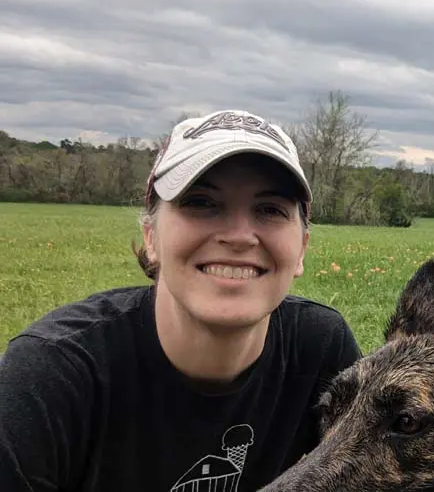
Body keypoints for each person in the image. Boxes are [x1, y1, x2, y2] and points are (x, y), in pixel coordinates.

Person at [0, 110, 363, 491]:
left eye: (270, 209)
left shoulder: (320, 349)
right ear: (151, 236)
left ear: (302, 247)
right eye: (202, 202)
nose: (239, 236)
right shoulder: (52, 376)